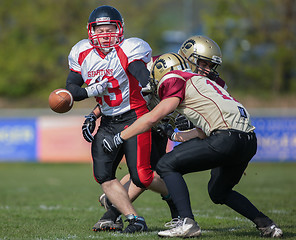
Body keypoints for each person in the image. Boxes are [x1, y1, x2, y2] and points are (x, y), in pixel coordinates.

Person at [101, 52, 283, 238]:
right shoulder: (205, 83)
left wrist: (119, 137)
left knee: (165, 165)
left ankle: (187, 222)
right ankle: (267, 224)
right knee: (219, 191)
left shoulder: (173, 78)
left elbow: (153, 117)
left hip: (225, 137)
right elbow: (202, 132)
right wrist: (174, 134)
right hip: (248, 141)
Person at [87, 35, 229, 231]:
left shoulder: (214, 83)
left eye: (210, 65)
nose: (207, 69)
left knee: (150, 171)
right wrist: (94, 114)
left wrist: (189, 121)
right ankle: (114, 211)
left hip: (162, 126)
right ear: (188, 57)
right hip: (139, 120)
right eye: (203, 63)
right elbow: (121, 92)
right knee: (146, 172)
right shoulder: (158, 65)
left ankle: (113, 210)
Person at [65, 5, 170, 233]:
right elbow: (71, 88)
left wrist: (147, 84)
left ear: (119, 28)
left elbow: (139, 72)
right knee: (104, 175)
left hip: (135, 117)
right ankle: (134, 219)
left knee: (142, 176)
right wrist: (93, 101)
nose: (104, 33)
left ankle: (173, 194)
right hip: (108, 121)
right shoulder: (82, 52)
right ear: (90, 31)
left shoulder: (130, 49)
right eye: (100, 28)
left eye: (109, 27)